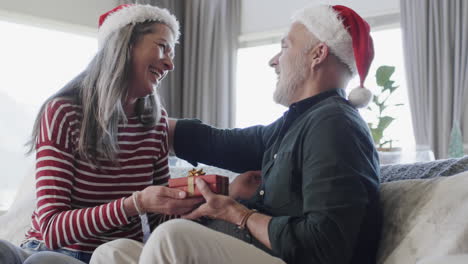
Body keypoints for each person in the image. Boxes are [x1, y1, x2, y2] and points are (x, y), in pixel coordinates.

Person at [90, 4, 381, 264]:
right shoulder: (294, 124)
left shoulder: (334, 125)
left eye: (284, 46)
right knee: (112, 254)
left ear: (318, 54)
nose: (274, 60)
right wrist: (115, 116)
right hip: (256, 249)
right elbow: (217, 143)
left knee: (172, 238)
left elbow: (325, 246)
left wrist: (238, 214)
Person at [0, 4, 204, 264]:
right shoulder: (64, 112)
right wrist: (134, 203)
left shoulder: (156, 122)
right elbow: (52, 229)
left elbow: (158, 219)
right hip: (51, 250)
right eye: (162, 46)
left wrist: (214, 195)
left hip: (114, 256)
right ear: (126, 45)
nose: (170, 64)